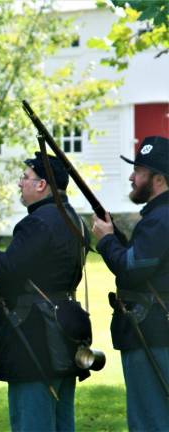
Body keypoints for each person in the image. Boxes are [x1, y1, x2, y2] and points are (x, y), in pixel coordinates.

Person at [0, 152, 90, 432]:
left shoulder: (37, 222)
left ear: (42, 185)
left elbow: (9, 267)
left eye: (25, 177)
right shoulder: (75, 220)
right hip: (66, 325)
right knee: (61, 419)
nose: (20, 183)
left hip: (34, 332)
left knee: (31, 420)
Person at [91, 135, 169, 431]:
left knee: (149, 419)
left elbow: (131, 270)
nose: (132, 177)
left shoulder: (160, 218)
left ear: (158, 178)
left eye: (139, 171)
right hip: (158, 328)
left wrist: (107, 240)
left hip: (152, 330)